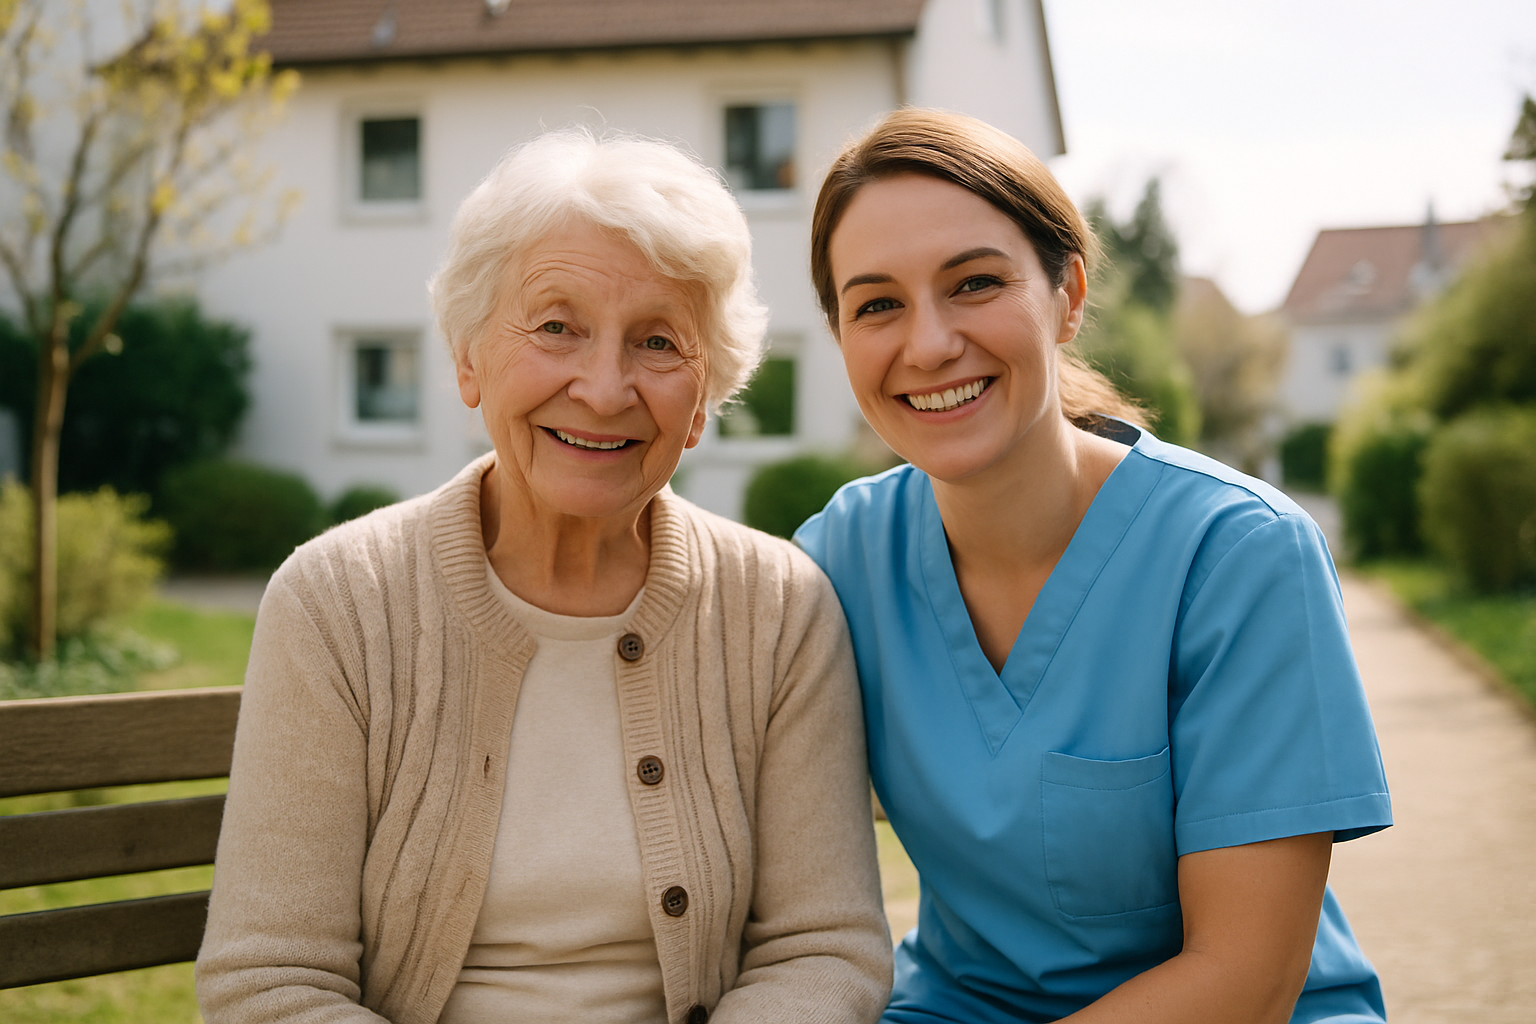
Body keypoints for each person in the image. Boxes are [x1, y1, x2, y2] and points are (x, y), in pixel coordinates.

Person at [196, 129, 892, 1024]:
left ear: (704, 403)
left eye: (657, 343)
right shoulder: (337, 604)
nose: (604, 389)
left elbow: (824, 947)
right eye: (556, 326)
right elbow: (270, 982)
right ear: (468, 358)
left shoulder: (781, 611)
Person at [794, 108, 1392, 1024]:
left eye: (975, 283)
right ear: (841, 338)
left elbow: (1247, 975)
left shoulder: (1237, 553)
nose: (928, 345)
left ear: (1067, 294)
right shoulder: (836, 560)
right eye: (877, 304)